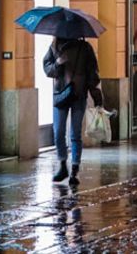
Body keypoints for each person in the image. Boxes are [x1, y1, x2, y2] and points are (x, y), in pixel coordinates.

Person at [43, 35, 102, 186]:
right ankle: (63, 165)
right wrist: (57, 63)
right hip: (60, 95)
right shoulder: (55, 46)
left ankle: (74, 171)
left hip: (78, 94)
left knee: (75, 134)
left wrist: (97, 97)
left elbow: (93, 74)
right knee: (58, 132)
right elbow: (47, 69)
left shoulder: (85, 48)